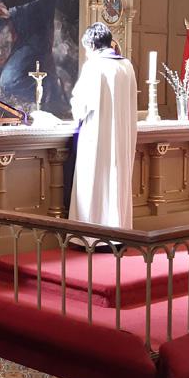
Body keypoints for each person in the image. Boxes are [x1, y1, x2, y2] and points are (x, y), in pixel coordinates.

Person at [67, 22, 137, 229]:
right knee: (117, 182)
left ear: (91, 45)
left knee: (95, 183)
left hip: (97, 137)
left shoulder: (94, 66)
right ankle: (119, 230)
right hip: (122, 135)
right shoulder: (127, 66)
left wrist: (74, 110)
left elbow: (81, 106)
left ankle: (92, 234)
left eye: (86, 49)